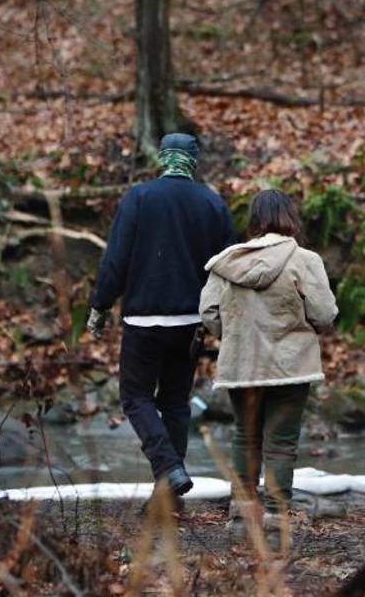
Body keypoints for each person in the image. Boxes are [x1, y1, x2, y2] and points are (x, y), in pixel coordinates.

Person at [87, 133, 234, 496]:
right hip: (190, 323)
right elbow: (229, 265)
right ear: (193, 161)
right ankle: (169, 493)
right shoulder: (212, 203)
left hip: (143, 320)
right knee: (174, 402)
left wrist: (101, 305)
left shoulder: (139, 198)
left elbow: (117, 258)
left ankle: (168, 468)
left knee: (136, 397)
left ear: (162, 159)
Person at [198, 189, 338, 528]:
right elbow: (324, 313)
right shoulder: (305, 260)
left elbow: (209, 313)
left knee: (244, 435)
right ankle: (276, 514)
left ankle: (242, 510)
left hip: (241, 365)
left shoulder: (228, 261)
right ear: (290, 217)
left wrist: (234, 335)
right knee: (282, 441)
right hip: (290, 367)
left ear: (254, 220)